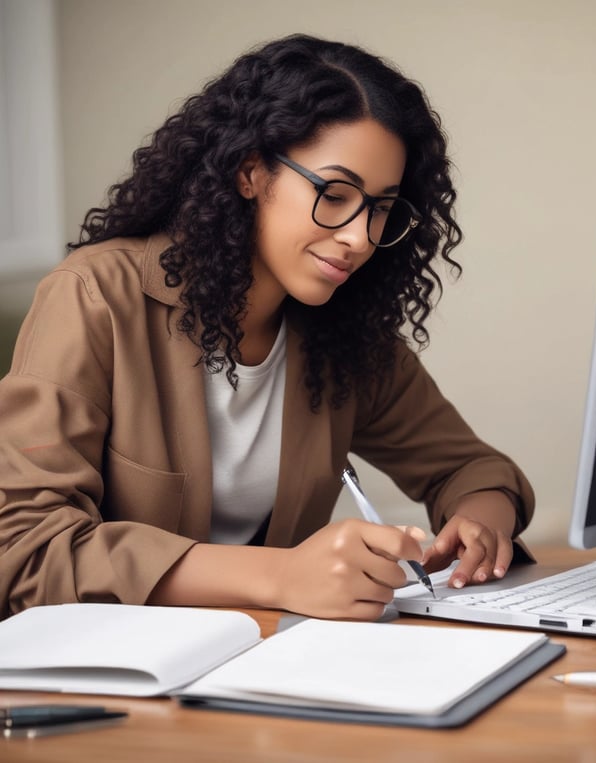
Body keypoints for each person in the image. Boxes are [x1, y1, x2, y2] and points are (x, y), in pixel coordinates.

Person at [0, 34, 534, 622]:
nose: (359, 238)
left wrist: (481, 526)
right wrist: (281, 575)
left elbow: (472, 470)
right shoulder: (96, 298)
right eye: (334, 194)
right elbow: (25, 549)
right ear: (250, 171)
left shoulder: (343, 332)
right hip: (115, 681)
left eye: (380, 207)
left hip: (266, 667)